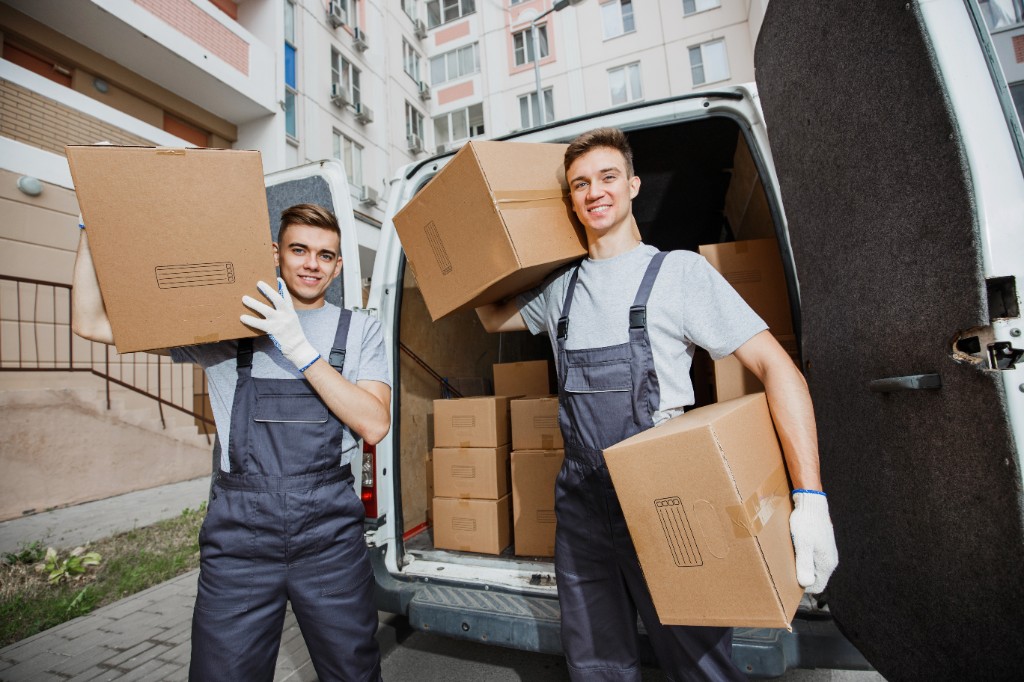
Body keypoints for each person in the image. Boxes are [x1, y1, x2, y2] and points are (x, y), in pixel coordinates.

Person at [476, 128, 839, 681]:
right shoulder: (560, 291)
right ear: (570, 201)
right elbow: (489, 314)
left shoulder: (679, 274)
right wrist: (487, 237)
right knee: (595, 663)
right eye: (579, 184)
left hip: (666, 497)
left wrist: (809, 497)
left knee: (698, 663)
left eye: (607, 177)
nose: (594, 191)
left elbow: (776, 368)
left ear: (633, 185)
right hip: (581, 502)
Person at [71, 203, 390, 682]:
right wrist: (89, 224)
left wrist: (299, 348)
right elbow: (90, 323)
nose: (311, 264)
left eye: (325, 256)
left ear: (338, 266)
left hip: (330, 539)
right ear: (275, 253)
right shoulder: (228, 329)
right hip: (240, 541)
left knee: (354, 672)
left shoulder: (361, 329)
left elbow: (374, 424)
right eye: (299, 249)